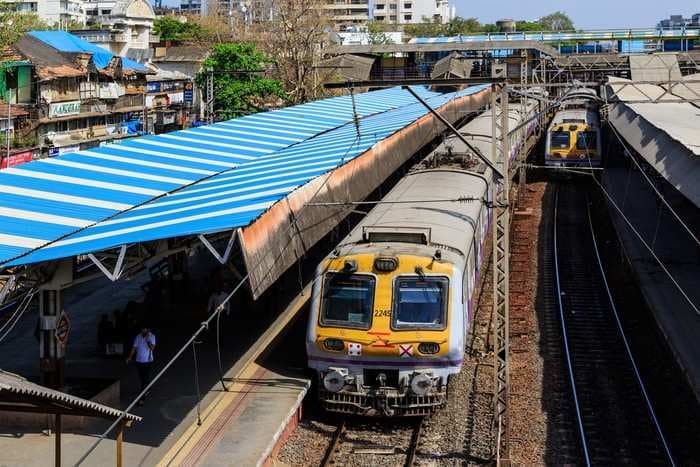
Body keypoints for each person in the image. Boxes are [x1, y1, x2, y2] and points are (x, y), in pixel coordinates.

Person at [126, 327, 156, 406]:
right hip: (138, 361)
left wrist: (147, 340)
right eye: (142, 329)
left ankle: (142, 399)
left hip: (148, 361)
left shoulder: (152, 336)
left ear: (148, 329)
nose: (143, 330)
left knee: (144, 379)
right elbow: (134, 348)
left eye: (145, 329)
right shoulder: (138, 337)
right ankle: (148, 387)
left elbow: (152, 348)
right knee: (142, 377)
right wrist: (130, 357)